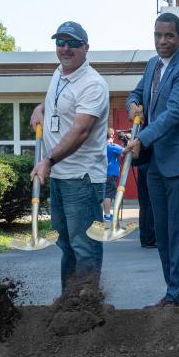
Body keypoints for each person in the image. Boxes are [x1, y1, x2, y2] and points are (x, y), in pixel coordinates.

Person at [125, 13, 179, 308]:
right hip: (155, 164)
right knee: (161, 232)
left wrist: (141, 139)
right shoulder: (152, 65)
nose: (163, 41)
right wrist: (133, 103)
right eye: (158, 35)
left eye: (169, 35)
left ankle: (175, 295)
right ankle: (177, 292)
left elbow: (173, 113)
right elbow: (136, 93)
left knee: (177, 231)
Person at [29, 21, 110, 292]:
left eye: (73, 43)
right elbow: (59, 104)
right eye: (61, 42)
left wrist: (48, 161)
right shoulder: (59, 73)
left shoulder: (93, 84)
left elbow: (81, 130)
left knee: (84, 245)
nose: (66, 48)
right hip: (60, 177)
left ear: (86, 48)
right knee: (66, 244)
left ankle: (87, 306)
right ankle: (69, 303)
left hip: (82, 178)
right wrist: (41, 108)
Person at [103, 128, 123, 221]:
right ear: (111, 136)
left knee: (108, 193)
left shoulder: (102, 146)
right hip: (111, 174)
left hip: (105, 173)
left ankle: (107, 214)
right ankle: (107, 215)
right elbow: (125, 150)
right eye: (113, 134)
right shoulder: (112, 146)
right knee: (108, 194)